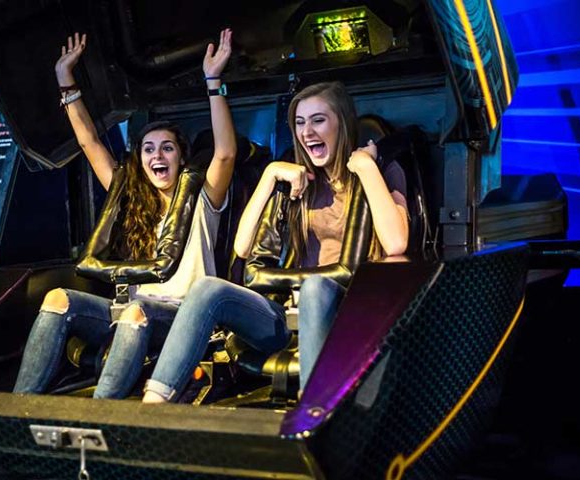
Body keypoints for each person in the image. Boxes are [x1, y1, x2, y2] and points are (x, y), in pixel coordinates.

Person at [142, 81, 408, 403]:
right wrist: (269, 175)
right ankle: (155, 403)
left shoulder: (381, 170)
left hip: (349, 311)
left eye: (318, 120)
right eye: (299, 122)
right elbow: (243, 247)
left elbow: (395, 243)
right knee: (207, 288)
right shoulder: (298, 181)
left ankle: (312, 412)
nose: (307, 131)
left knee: (316, 287)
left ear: (342, 122)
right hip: (289, 312)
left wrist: (365, 166)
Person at [13, 28, 236, 398]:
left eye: (167, 149)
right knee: (56, 298)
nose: (157, 156)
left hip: (183, 317)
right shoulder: (132, 199)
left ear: (181, 158)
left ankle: (104, 415)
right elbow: (89, 142)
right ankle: (19, 411)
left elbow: (226, 153)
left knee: (137, 312)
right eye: (149, 149)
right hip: (131, 313)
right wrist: (65, 79)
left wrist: (213, 81)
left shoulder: (200, 197)